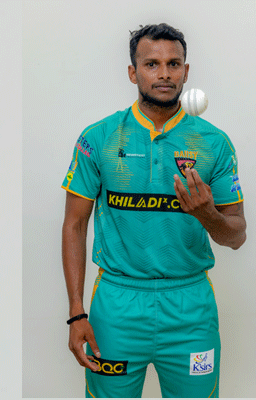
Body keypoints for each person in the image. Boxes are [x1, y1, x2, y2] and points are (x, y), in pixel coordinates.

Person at [61, 23, 246, 398]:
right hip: (117, 306)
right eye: (151, 64)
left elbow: (237, 236)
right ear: (133, 72)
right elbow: (74, 225)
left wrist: (207, 214)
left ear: (186, 72)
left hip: (190, 307)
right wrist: (77, 312)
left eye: (173, 64)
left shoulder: (213, 143)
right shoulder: (99, 138)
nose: (164, 73)